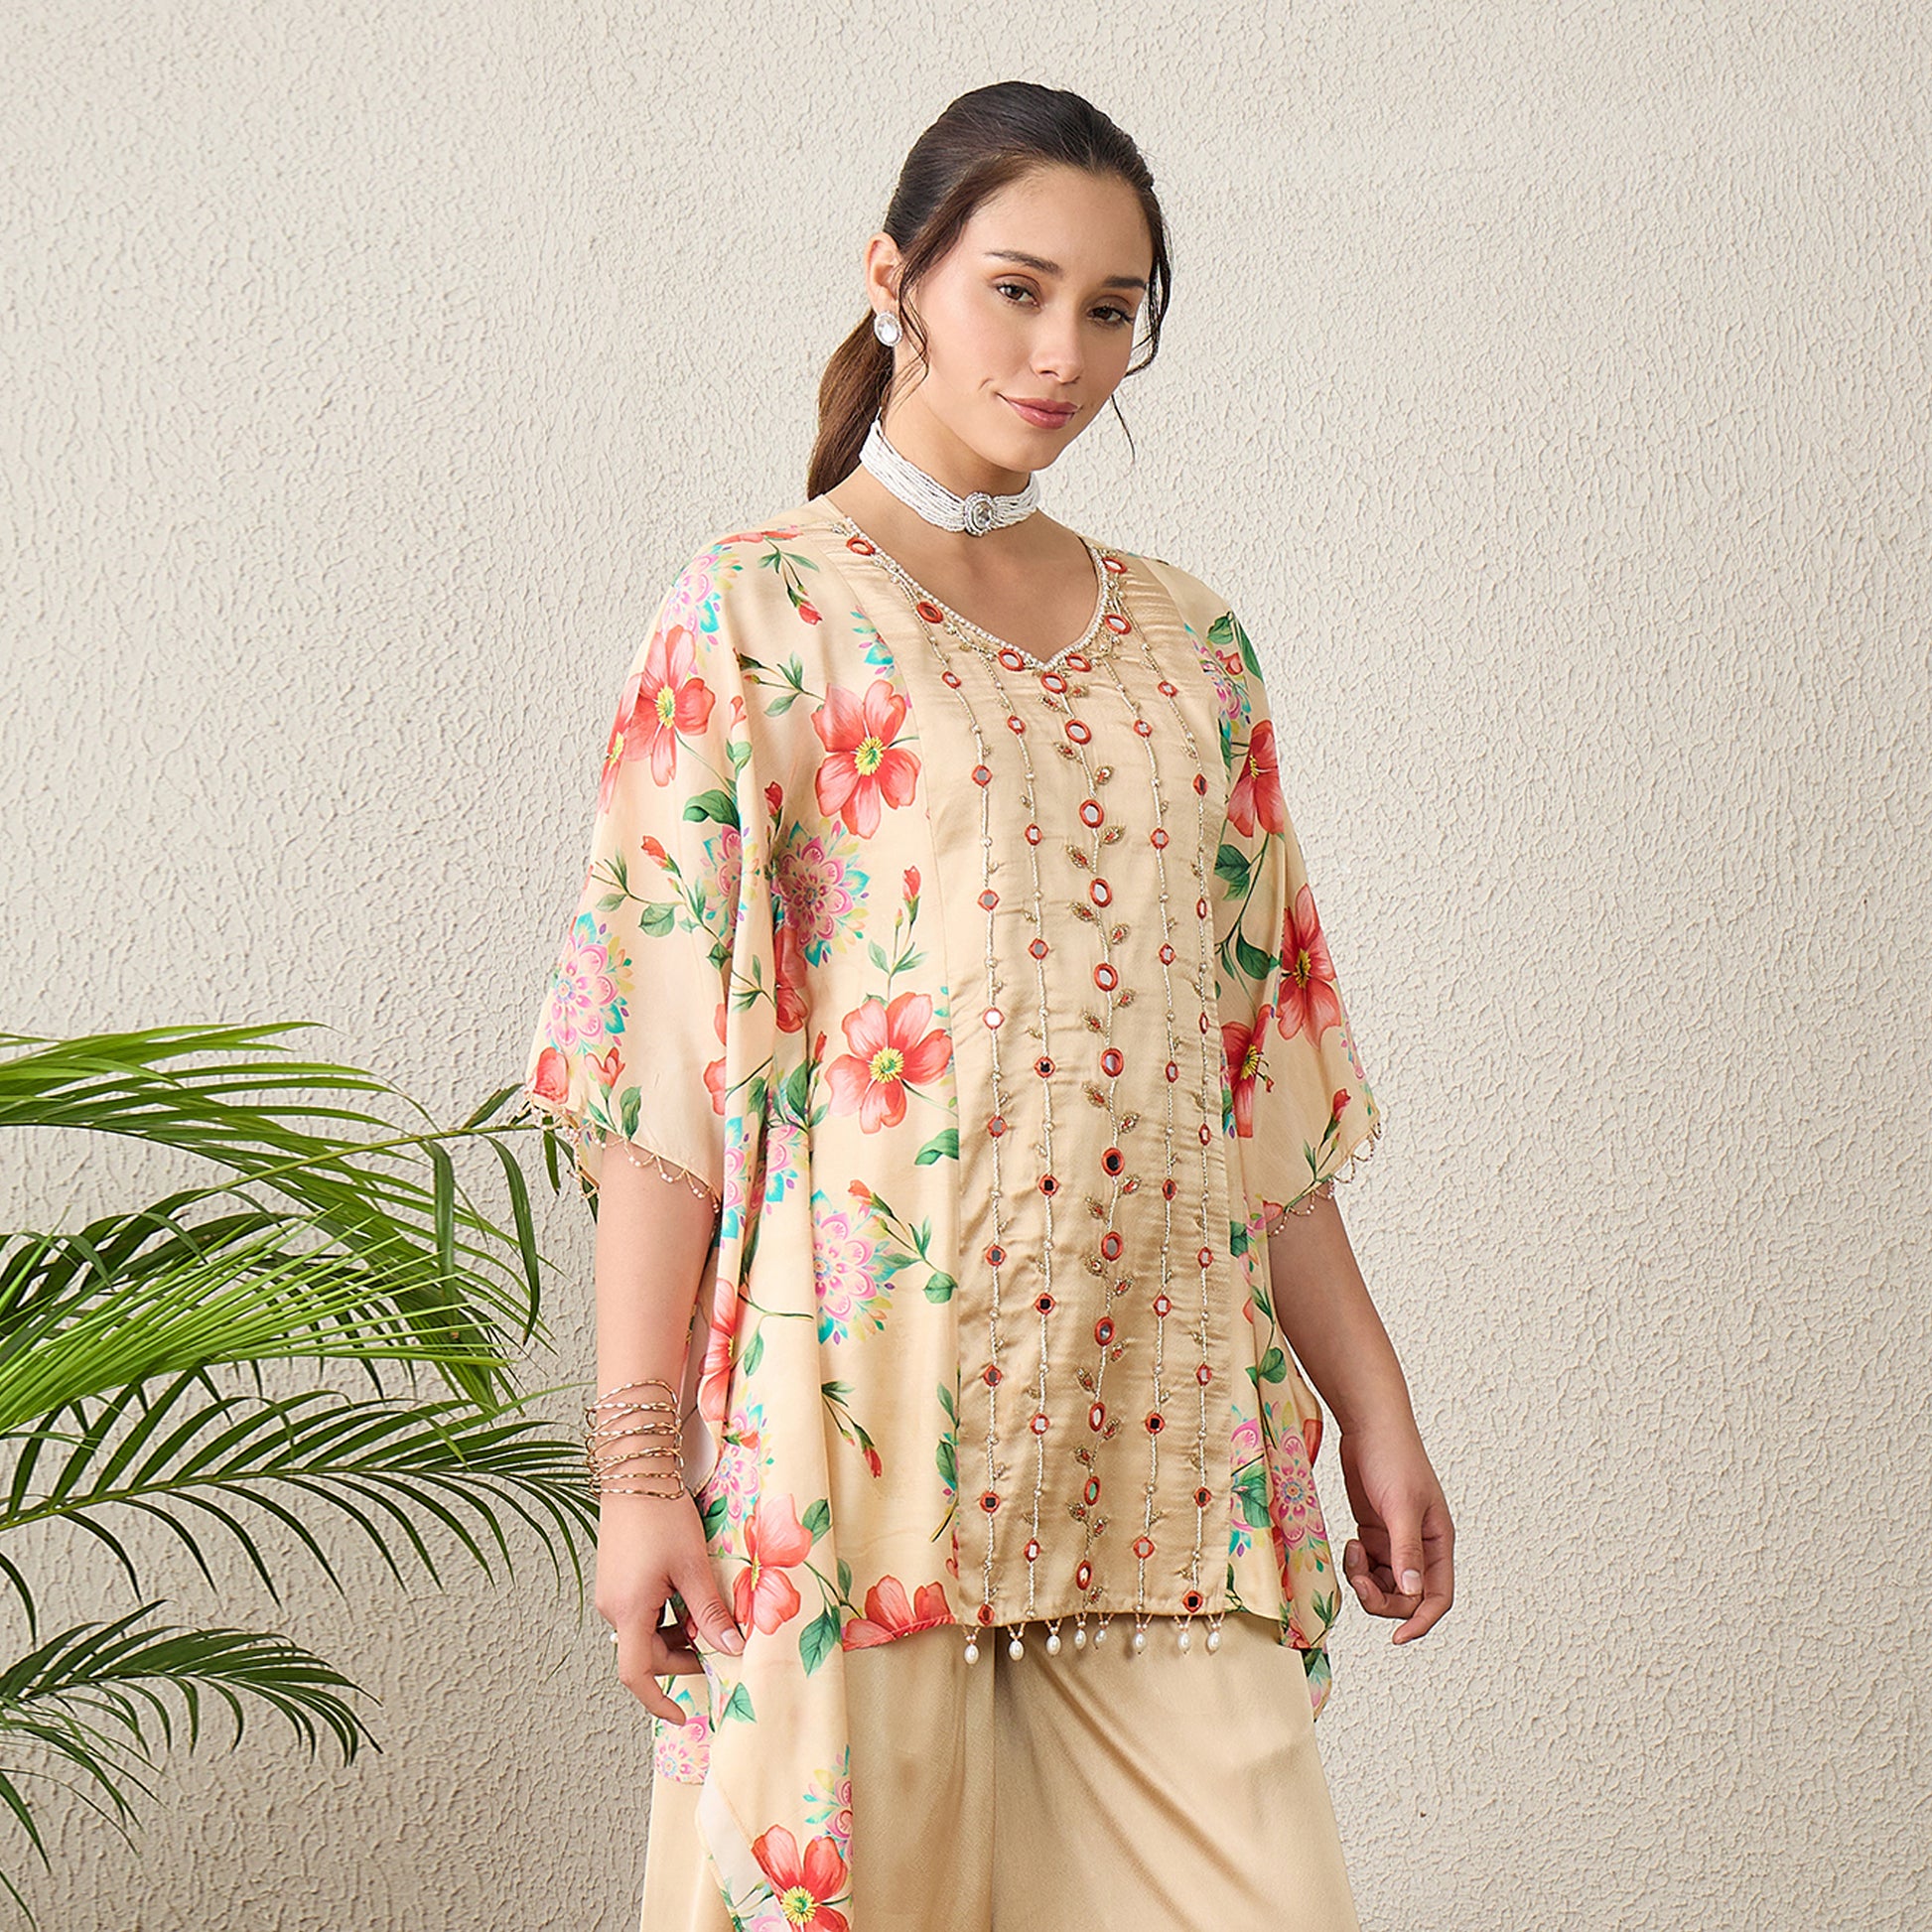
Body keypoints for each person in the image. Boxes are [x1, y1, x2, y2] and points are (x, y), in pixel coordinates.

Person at [521, 79, 1453, 1932]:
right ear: (896, 278)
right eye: (1016, 290)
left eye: (1110, 309)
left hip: (1162, 1447)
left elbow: (1253, 1086)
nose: (1060, 353)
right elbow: (661, 1091)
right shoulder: (755, 614)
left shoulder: (1190, 643)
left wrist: (1377, 1410)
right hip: (852, 1442)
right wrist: (638, 1476)